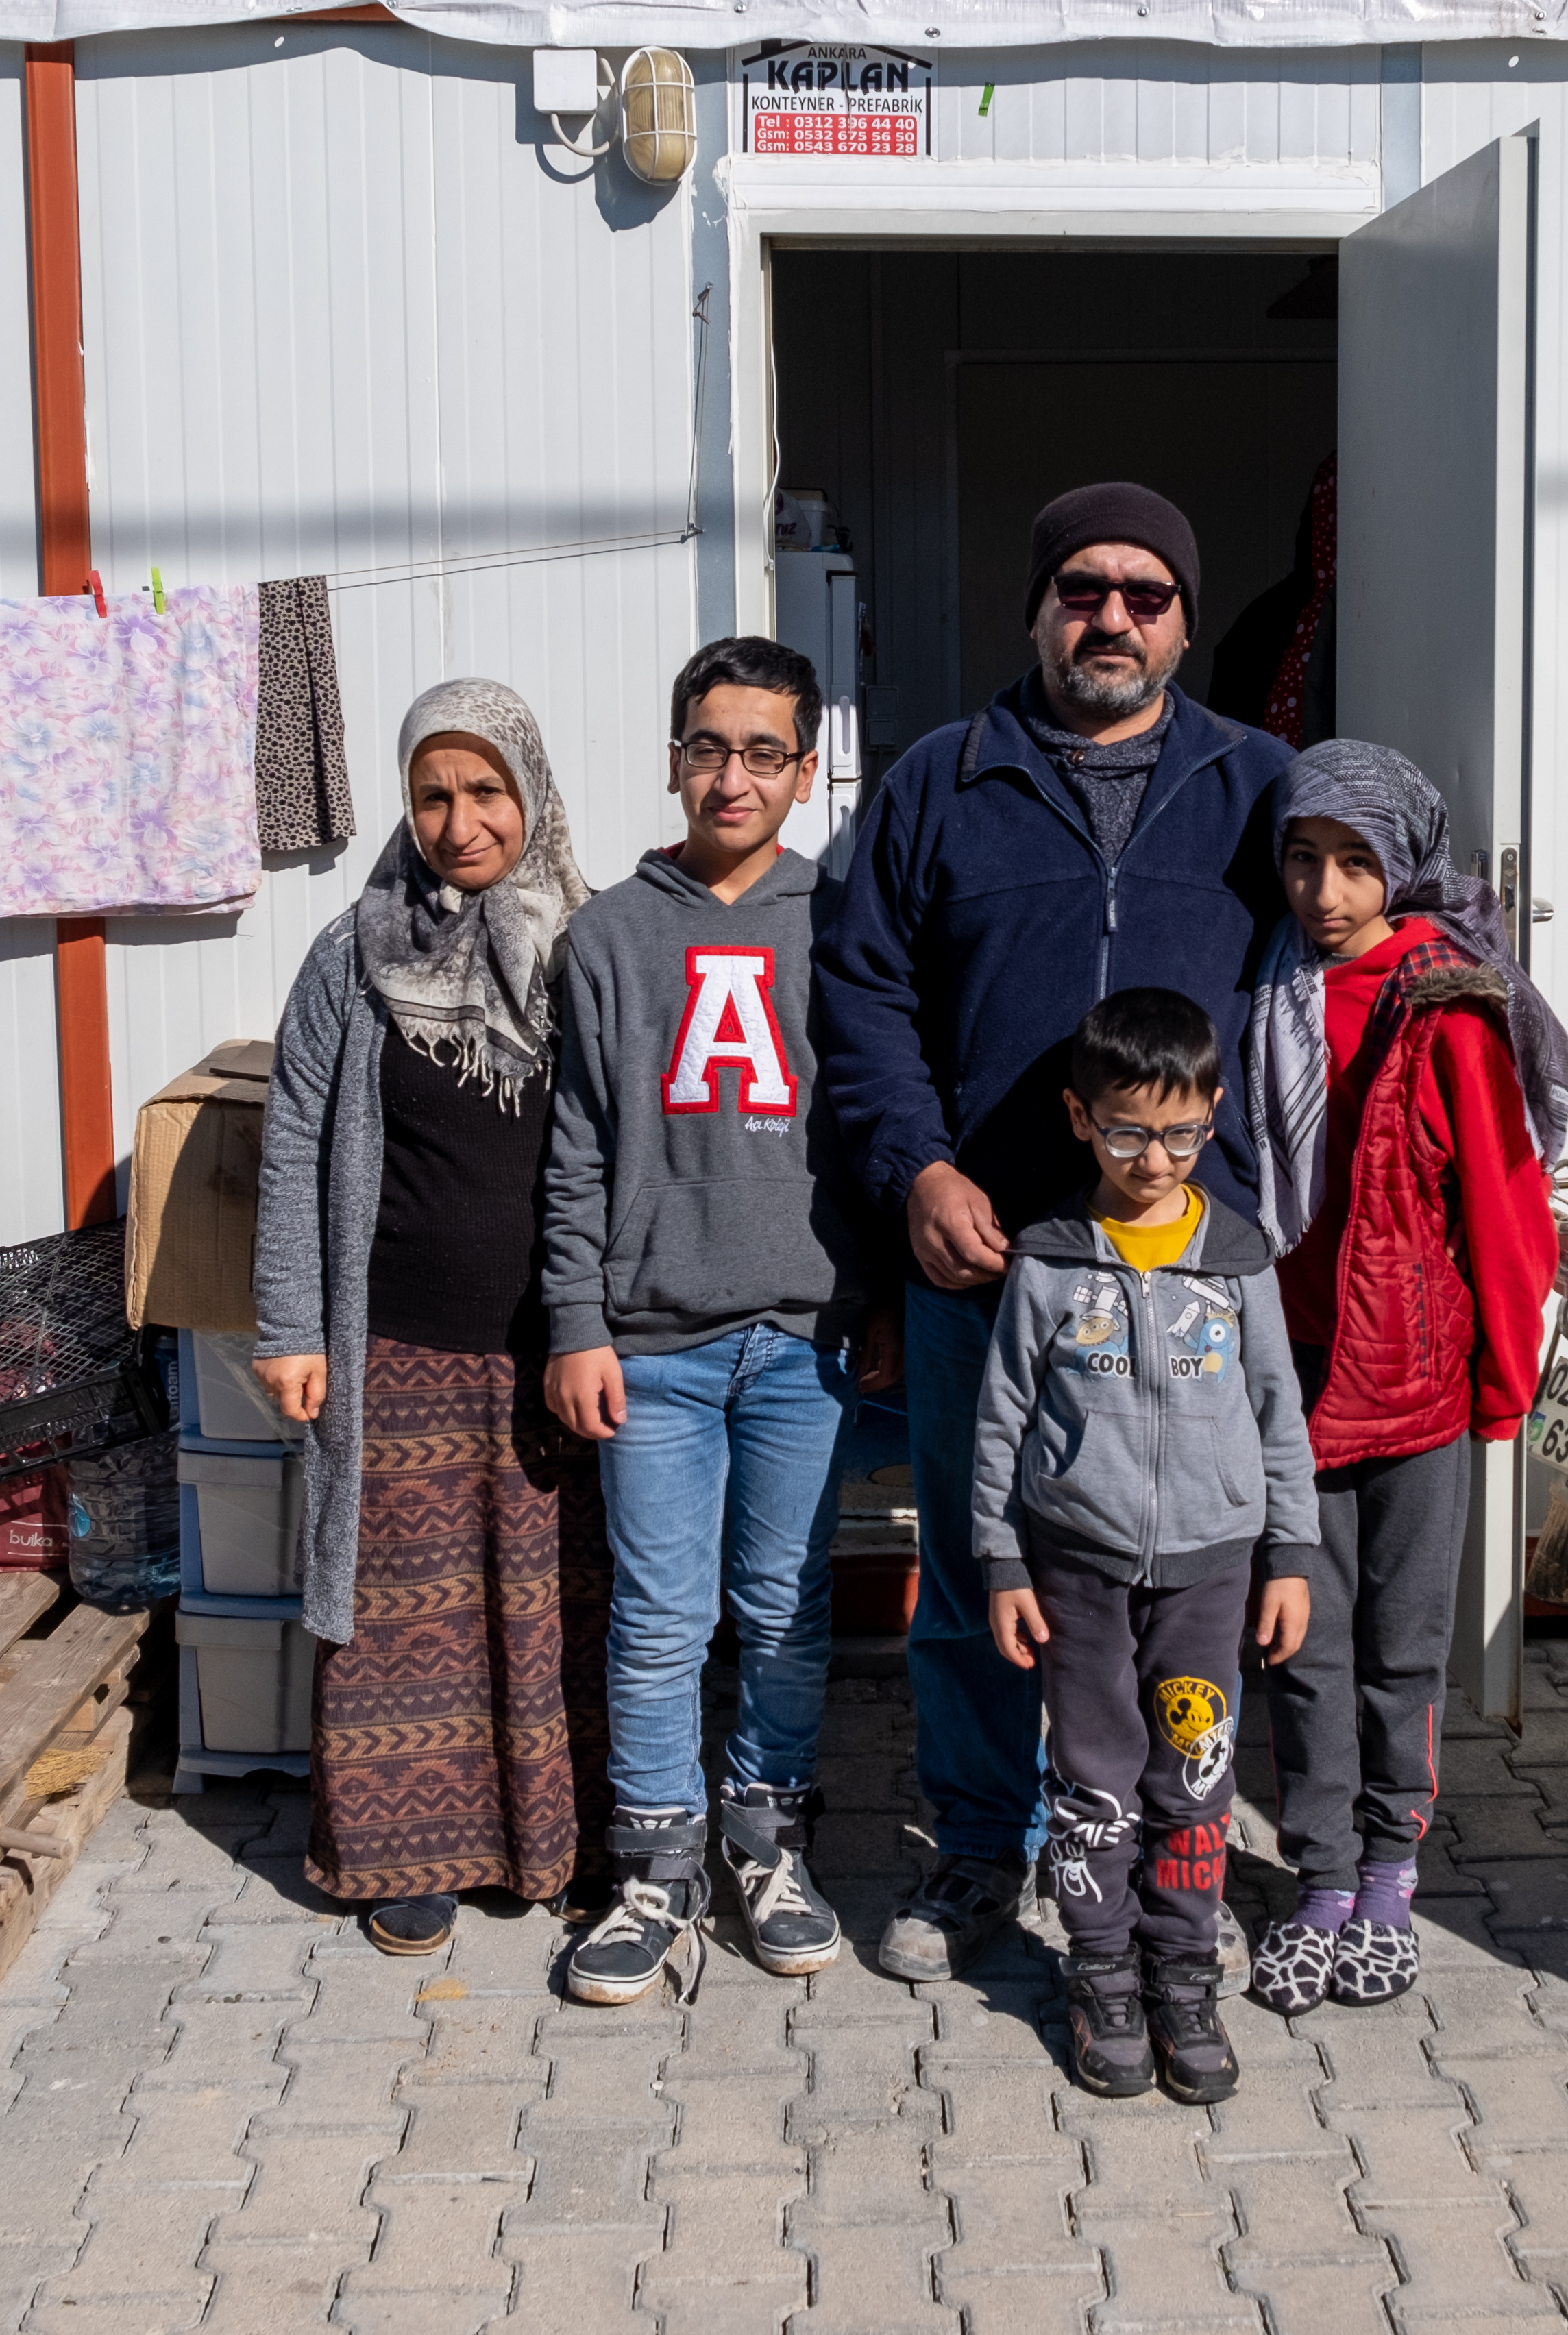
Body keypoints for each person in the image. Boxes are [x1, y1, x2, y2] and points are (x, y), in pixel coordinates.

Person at [816, 480, 1295, 1982]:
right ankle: (976, 1846)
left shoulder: (1258, 783)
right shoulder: (941, 782)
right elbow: (862, 996)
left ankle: (1165, 1859)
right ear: (1036, 607)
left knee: (1180, 1579)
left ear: (1185, 623)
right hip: (996, 1263)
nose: (1111, 616)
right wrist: (918, 1170)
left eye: (1145, 595)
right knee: (982, 1568)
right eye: (1082, 587)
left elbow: (1350, 940)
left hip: (1188, 1284)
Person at [249, 678, 612, 1955]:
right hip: (392, 1342)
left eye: (485, 790)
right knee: (404, 1614)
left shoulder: (591, 942)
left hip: (553, 1350)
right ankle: (406, 1857)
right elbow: (295, 1139)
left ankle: (554, 1846)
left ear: (531, 792)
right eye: (432, 794)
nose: (461, 821)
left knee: (552, 1602)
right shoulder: (356, 949)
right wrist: (291, 1327)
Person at [538, 635, 864, 2003]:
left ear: (802, 773)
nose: (733, 776)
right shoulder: (611, 931)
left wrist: (883, 1301)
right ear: (675, 758)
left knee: (786, 1611)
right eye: (708, 747)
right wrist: (573, 1320)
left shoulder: (841, 920)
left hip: (804, 1337)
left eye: (764, 753)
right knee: (663, 1617)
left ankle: (766, 1835)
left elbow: (873, 1129)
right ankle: (656, 1866)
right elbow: (575, 1148)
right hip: (654, 1344)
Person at [1233, 740, 1568, 2015]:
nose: (1324, 891)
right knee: (1303, 1642)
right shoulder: (1261, 987)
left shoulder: (1444, 1005)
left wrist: (1500, 1375)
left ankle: (1388, 1877)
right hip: (1290, 1378)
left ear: (1405, 867)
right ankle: (1317, 1878)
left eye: (1355, 863)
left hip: (1416, 1377)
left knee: (1403, 1644)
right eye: (1304, 859)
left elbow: (1502, 1205)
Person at [974, 988, 1317, 2104]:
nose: (1153, 1157)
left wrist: (1290, 1557)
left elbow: (1277, 1414)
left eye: (1176, 1132)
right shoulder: (1048, 1258)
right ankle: (1101, 1971)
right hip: (1074, 1569)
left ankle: (1182, 1971)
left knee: (1193, 1780)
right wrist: (1004, 1561)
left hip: (1212, 1575)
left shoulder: (1237, 1260)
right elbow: (1001, 1420)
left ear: (1212, 1115)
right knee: (1095, 1784)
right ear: (1082, 1120)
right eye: (1126, 1131)